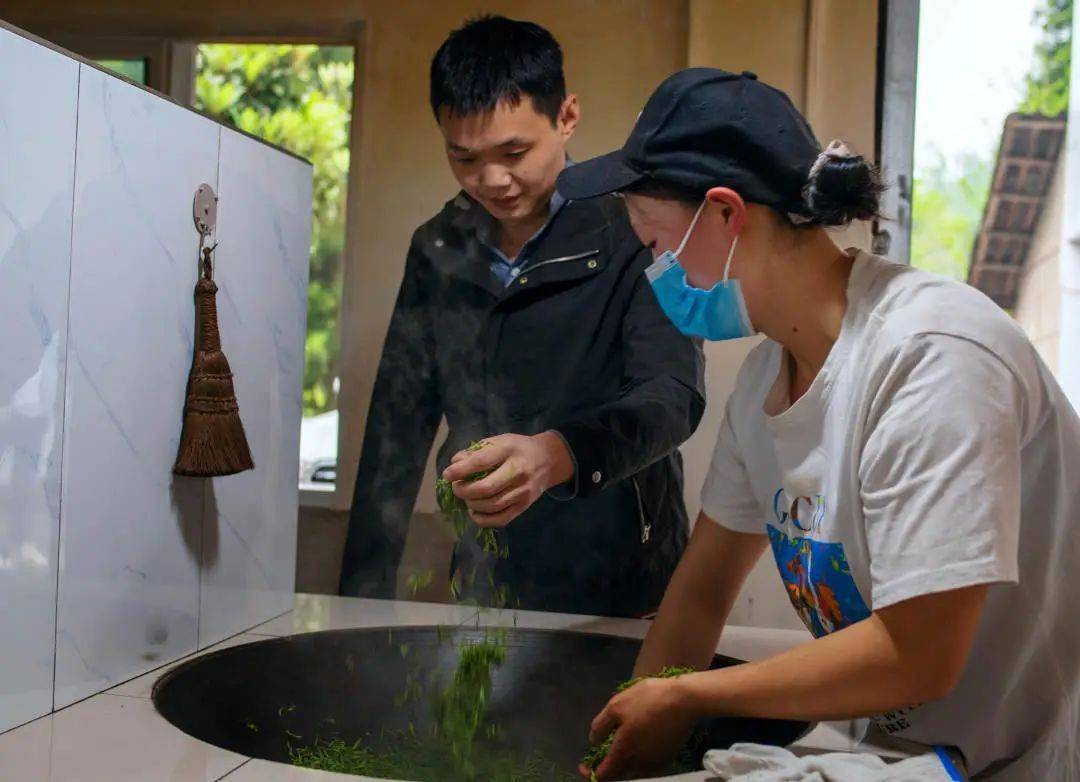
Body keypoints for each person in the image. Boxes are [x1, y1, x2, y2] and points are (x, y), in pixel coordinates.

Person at [557, 67, 1080, 780]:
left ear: (724, 213)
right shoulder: (762, 385)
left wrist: (683, 696)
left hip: (1030, 762)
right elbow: (703, 590)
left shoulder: (929, 360)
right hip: (917, 756)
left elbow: (918, 654)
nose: (653, 271)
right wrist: (623, 734)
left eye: (653, 245)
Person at [338, 16, 705, 618]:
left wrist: (560, 453)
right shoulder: (439, 247)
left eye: (514, 152)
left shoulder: (633, 232)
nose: (491, 180)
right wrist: (359, 597)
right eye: (463, 157)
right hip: (488, 564)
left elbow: (672, 397)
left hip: (625, 573)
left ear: (566, 117)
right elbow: (396, 427)